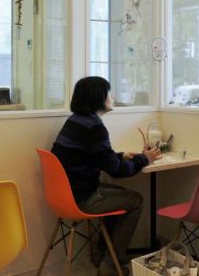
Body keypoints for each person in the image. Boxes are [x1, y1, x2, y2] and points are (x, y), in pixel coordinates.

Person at [51, 76, 160, 276]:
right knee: (135, 200)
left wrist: (119, 155)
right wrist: (145, 159)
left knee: (119, 197)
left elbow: (92, 157)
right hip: (83, 198)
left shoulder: (75, 121)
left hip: (64, 196)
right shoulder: (95, 127)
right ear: (98, 97)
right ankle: (110, 265)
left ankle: (101, 255)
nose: (112, 97)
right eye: (109, 93)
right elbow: (117, 171)